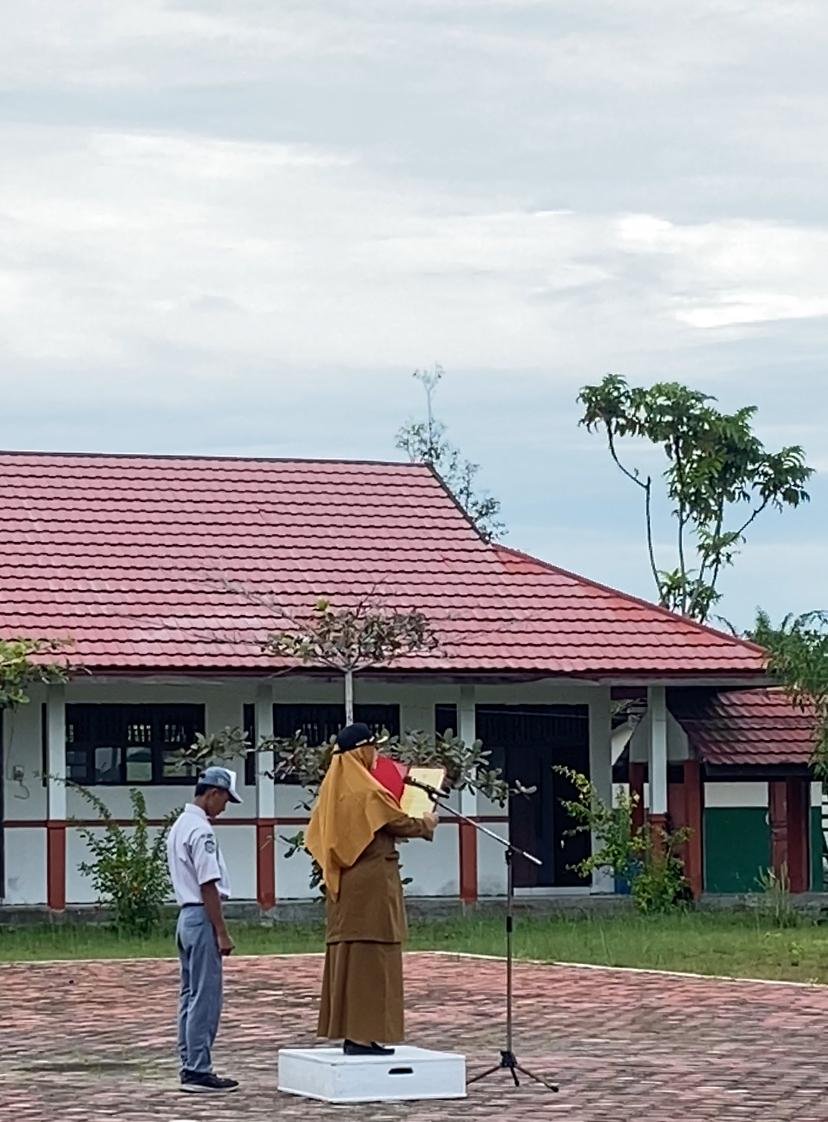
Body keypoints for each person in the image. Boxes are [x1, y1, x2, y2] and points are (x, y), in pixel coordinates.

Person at [306, 722, 438, 1057]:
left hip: (345, 887)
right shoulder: (367, 791)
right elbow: (398, 821)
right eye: (373, 748)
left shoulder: (330, 792)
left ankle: (354, 1032)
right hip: (372, 889)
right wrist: (426, 823)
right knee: (372, 959)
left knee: (350, 958)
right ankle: (365, 1036)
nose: (376, 755)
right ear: (362, 751)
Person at [166, 765, 241, 1094]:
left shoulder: (180, 826)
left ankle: (190, 1062)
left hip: (186, 917)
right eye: (225, 800)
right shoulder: (201, 832)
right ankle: (198, 1068)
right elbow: (208, 884)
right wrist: (221, 930)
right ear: (213, 793)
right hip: (201, 914)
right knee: (205, 997)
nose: (225, 807)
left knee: (190, 994)